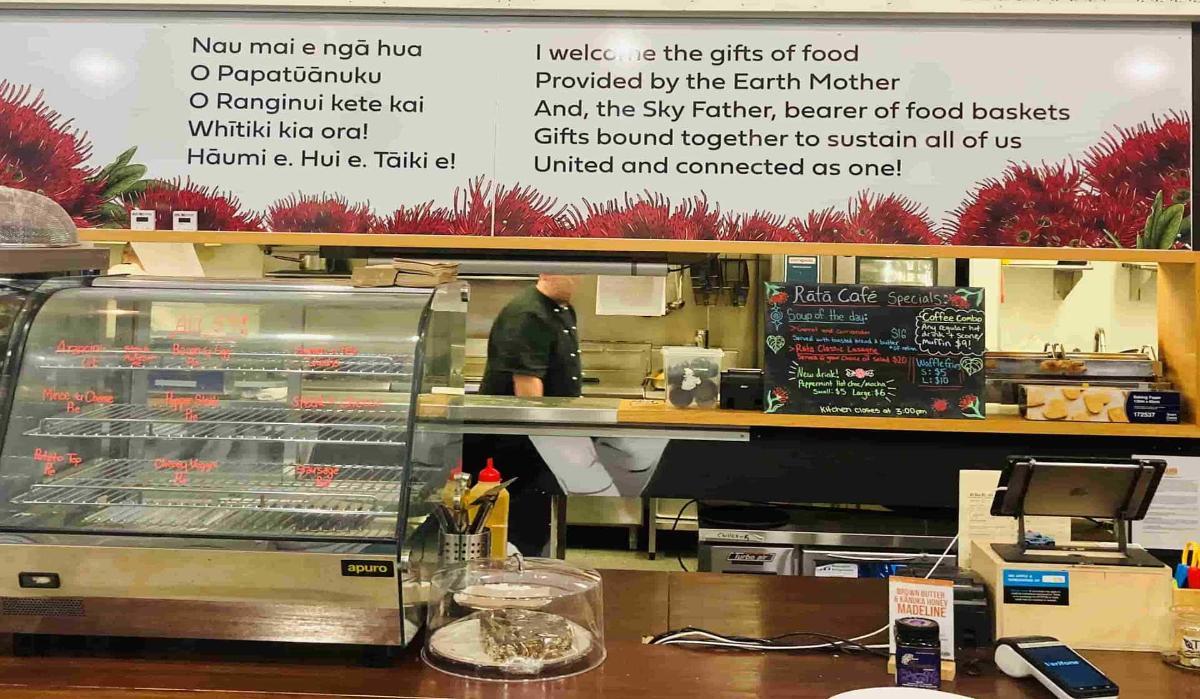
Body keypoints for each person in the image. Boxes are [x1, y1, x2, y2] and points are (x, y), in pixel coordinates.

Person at [468, 274, 581, 556]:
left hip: (539, 438)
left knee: (536, 520)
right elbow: (527, 385)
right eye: (571, 271)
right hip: (515, 441)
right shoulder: (528, 313)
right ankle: (509, 583)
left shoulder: (562, 308)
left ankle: (531, 573)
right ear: (545, 272)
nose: (577, 279)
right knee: (515, 525)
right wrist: (548, 437)